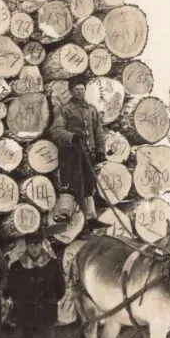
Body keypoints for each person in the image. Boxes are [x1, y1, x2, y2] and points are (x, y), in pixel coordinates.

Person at [5, 235, 66, 338]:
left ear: (42, 245)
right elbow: (9, 289)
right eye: (31, 245)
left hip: (46, 314)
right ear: (26, 246)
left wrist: (49, 301)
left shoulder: (52, 265)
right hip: (24, 314)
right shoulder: (17, 266)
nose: (34, 248)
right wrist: (21, 301)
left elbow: (61, 289)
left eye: (37, 244)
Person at [49, 79, 110, 228]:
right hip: (70, 153)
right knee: (68, 183)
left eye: (81, 89)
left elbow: (99, 132)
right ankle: (64, 214)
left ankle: (91, 218)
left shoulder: (91, 110)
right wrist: (72, 137)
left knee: (88, 184)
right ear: (70, 91)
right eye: (76, 89)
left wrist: (101, 150)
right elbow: (56, 130)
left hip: (87, 153)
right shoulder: (64, 109)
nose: (79, 92)